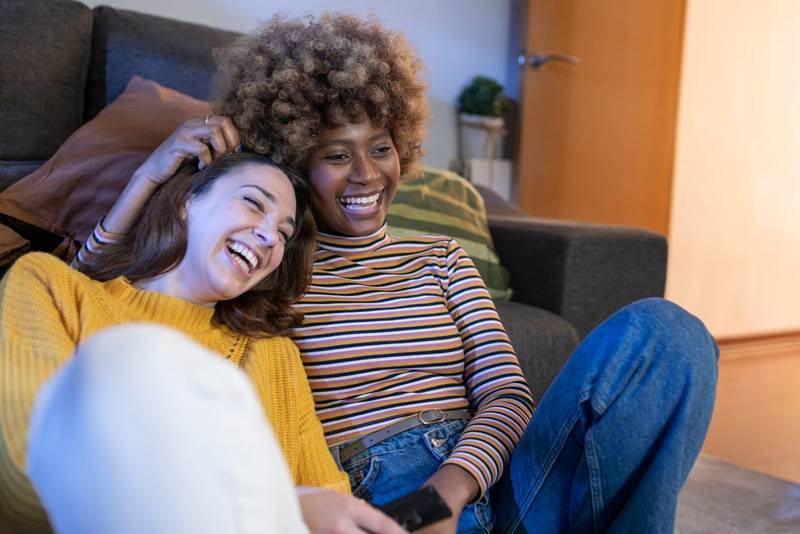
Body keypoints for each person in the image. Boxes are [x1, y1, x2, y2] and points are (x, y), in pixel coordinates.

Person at [78, 13, 719, 533]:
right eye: (336, 154)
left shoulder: (442, 257)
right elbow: (89, 295)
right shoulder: (264, 266)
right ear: (295, 162)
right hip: (381, 503)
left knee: (669, 332)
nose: (366, 174)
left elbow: (507, 396)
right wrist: (149, 176)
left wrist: (448, 492)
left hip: (496, 483)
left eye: (380, 147)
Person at [0, 147, 407, 534]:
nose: (269, 236)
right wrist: (281, 508)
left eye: (284, 232)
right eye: (254, 203)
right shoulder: (53, 288)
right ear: (186, 202)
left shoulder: (273, 355)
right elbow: (23, 478)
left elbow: (329, 500)